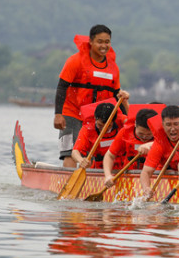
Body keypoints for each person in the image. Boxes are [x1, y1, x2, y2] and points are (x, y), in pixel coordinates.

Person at [53, 24, 130, 163]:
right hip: (73, 112)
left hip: (97, 116)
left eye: (107, 42)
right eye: (99, 41)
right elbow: (61, 87)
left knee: (95, 153)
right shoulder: (75, 61)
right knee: (70, 152)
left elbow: (116, 95)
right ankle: (68, 180)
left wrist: (128, 119)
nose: (104, 45)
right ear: (91, 42)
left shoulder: (113, 67)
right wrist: (58, 114)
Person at [139, 105, 179, 199]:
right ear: (163, 124)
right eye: (168, 125)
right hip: (169, 179)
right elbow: (145, 172)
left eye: (176, 124)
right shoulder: (160, 143)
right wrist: (146, 188)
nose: (172, 129)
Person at [103, 108, 157, 188]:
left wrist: (150, 145)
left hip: (154, 178)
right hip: (129, 178)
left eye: (149, 135)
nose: (145, 137)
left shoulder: (161, 133)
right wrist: (108, 175)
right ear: (135, 124)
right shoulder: (125, 132)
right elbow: (110, 155)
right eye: (141, 134)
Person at [69, 102, 124, 169]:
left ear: (114, 121)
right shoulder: (87, 129)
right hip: (99, 168)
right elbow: (75, 152)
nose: (103, 130)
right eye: (100, 125)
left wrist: (125, 102)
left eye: (108, 126)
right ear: (95, 118)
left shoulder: (122, 123)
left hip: (122, 168)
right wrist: (81, 160)